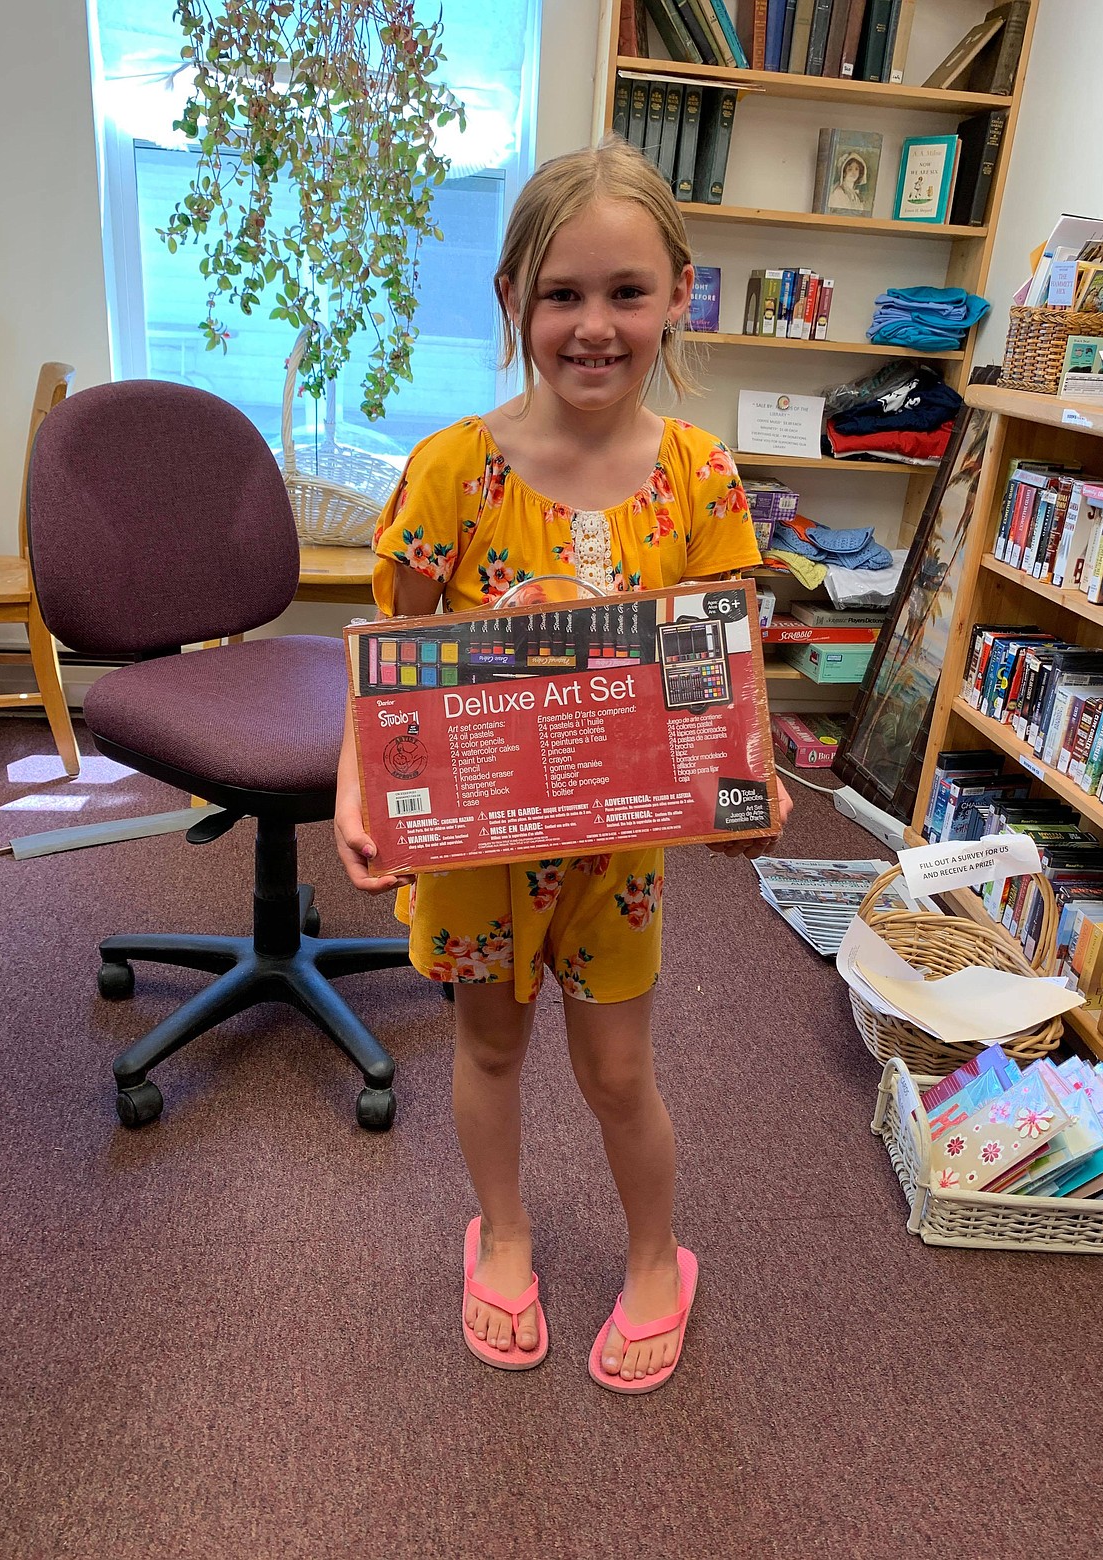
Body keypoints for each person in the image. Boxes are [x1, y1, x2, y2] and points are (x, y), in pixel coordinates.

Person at [335, 135, 793, 1394]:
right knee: (487, 1051)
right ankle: (506, 1232)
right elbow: (389, 651)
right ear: (511, 304)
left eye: (626, 293)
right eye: (563, 294)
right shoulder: (451, 473)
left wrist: (745, 783)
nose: (595, 326)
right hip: (480, 845)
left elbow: (717, 676)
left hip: (620, 850)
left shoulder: (699, 476)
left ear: (679, 295)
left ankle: (659, 1256)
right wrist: (357, 784)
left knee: (619, 1068)